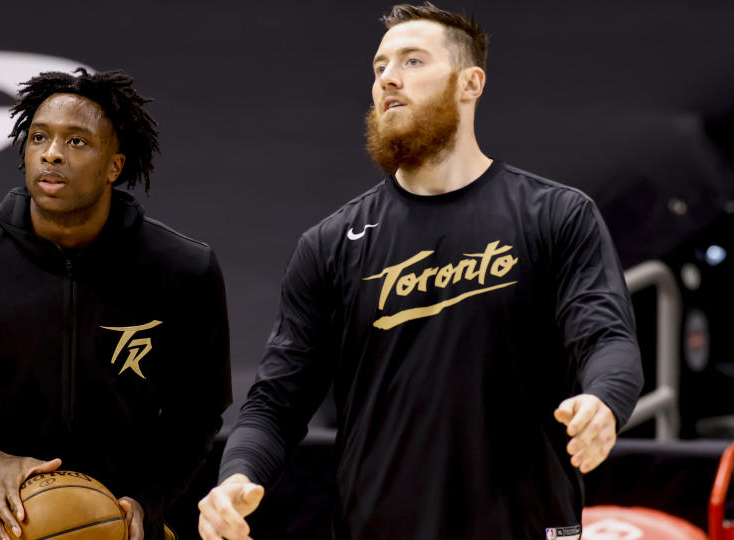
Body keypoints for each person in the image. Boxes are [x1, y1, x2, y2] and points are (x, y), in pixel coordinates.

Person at [198, 3, 643, 539]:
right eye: (379, 67)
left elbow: (607, 338)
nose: (388, 78)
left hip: (526, 526)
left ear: (470, 83)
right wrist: (235, 476)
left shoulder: (556, 215)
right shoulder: (331, 243)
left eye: (411, 61)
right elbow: (277, 402)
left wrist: (604, 400)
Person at [0, 68, 231, 540]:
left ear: (115, 165)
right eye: (39, 137)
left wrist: (147, 498)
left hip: (116, 512)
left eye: (77, 142)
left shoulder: (183, 271)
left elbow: (196, 412)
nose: (51, 153)